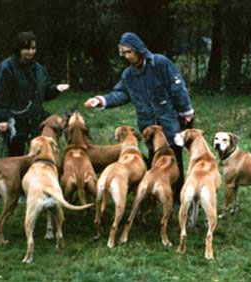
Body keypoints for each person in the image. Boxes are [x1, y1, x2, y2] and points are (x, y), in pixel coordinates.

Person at [84, 32, 195, 207]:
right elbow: (120, 93)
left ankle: (176, 198)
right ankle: (153, 195)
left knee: (174, 159)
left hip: (169, 121)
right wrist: (101, 100)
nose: (127, 56)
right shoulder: (128, 74)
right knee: (153, 160)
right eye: (124, 53)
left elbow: (177, 86)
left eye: (129, 52)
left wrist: (185, 111)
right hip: (148, 124)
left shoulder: (160, 63)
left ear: (138, 49)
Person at [0, 31, 69, 157]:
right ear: (18, 49)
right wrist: (2, 119)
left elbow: (45, 92)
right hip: (15, 121)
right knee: (16, 157)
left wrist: (56, 89)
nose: (31, 52)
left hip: (36, 120)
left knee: (39, 155)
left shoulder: (39, 69)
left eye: (33, 48)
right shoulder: (6, 68)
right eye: (26, 48)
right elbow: (0, 95)